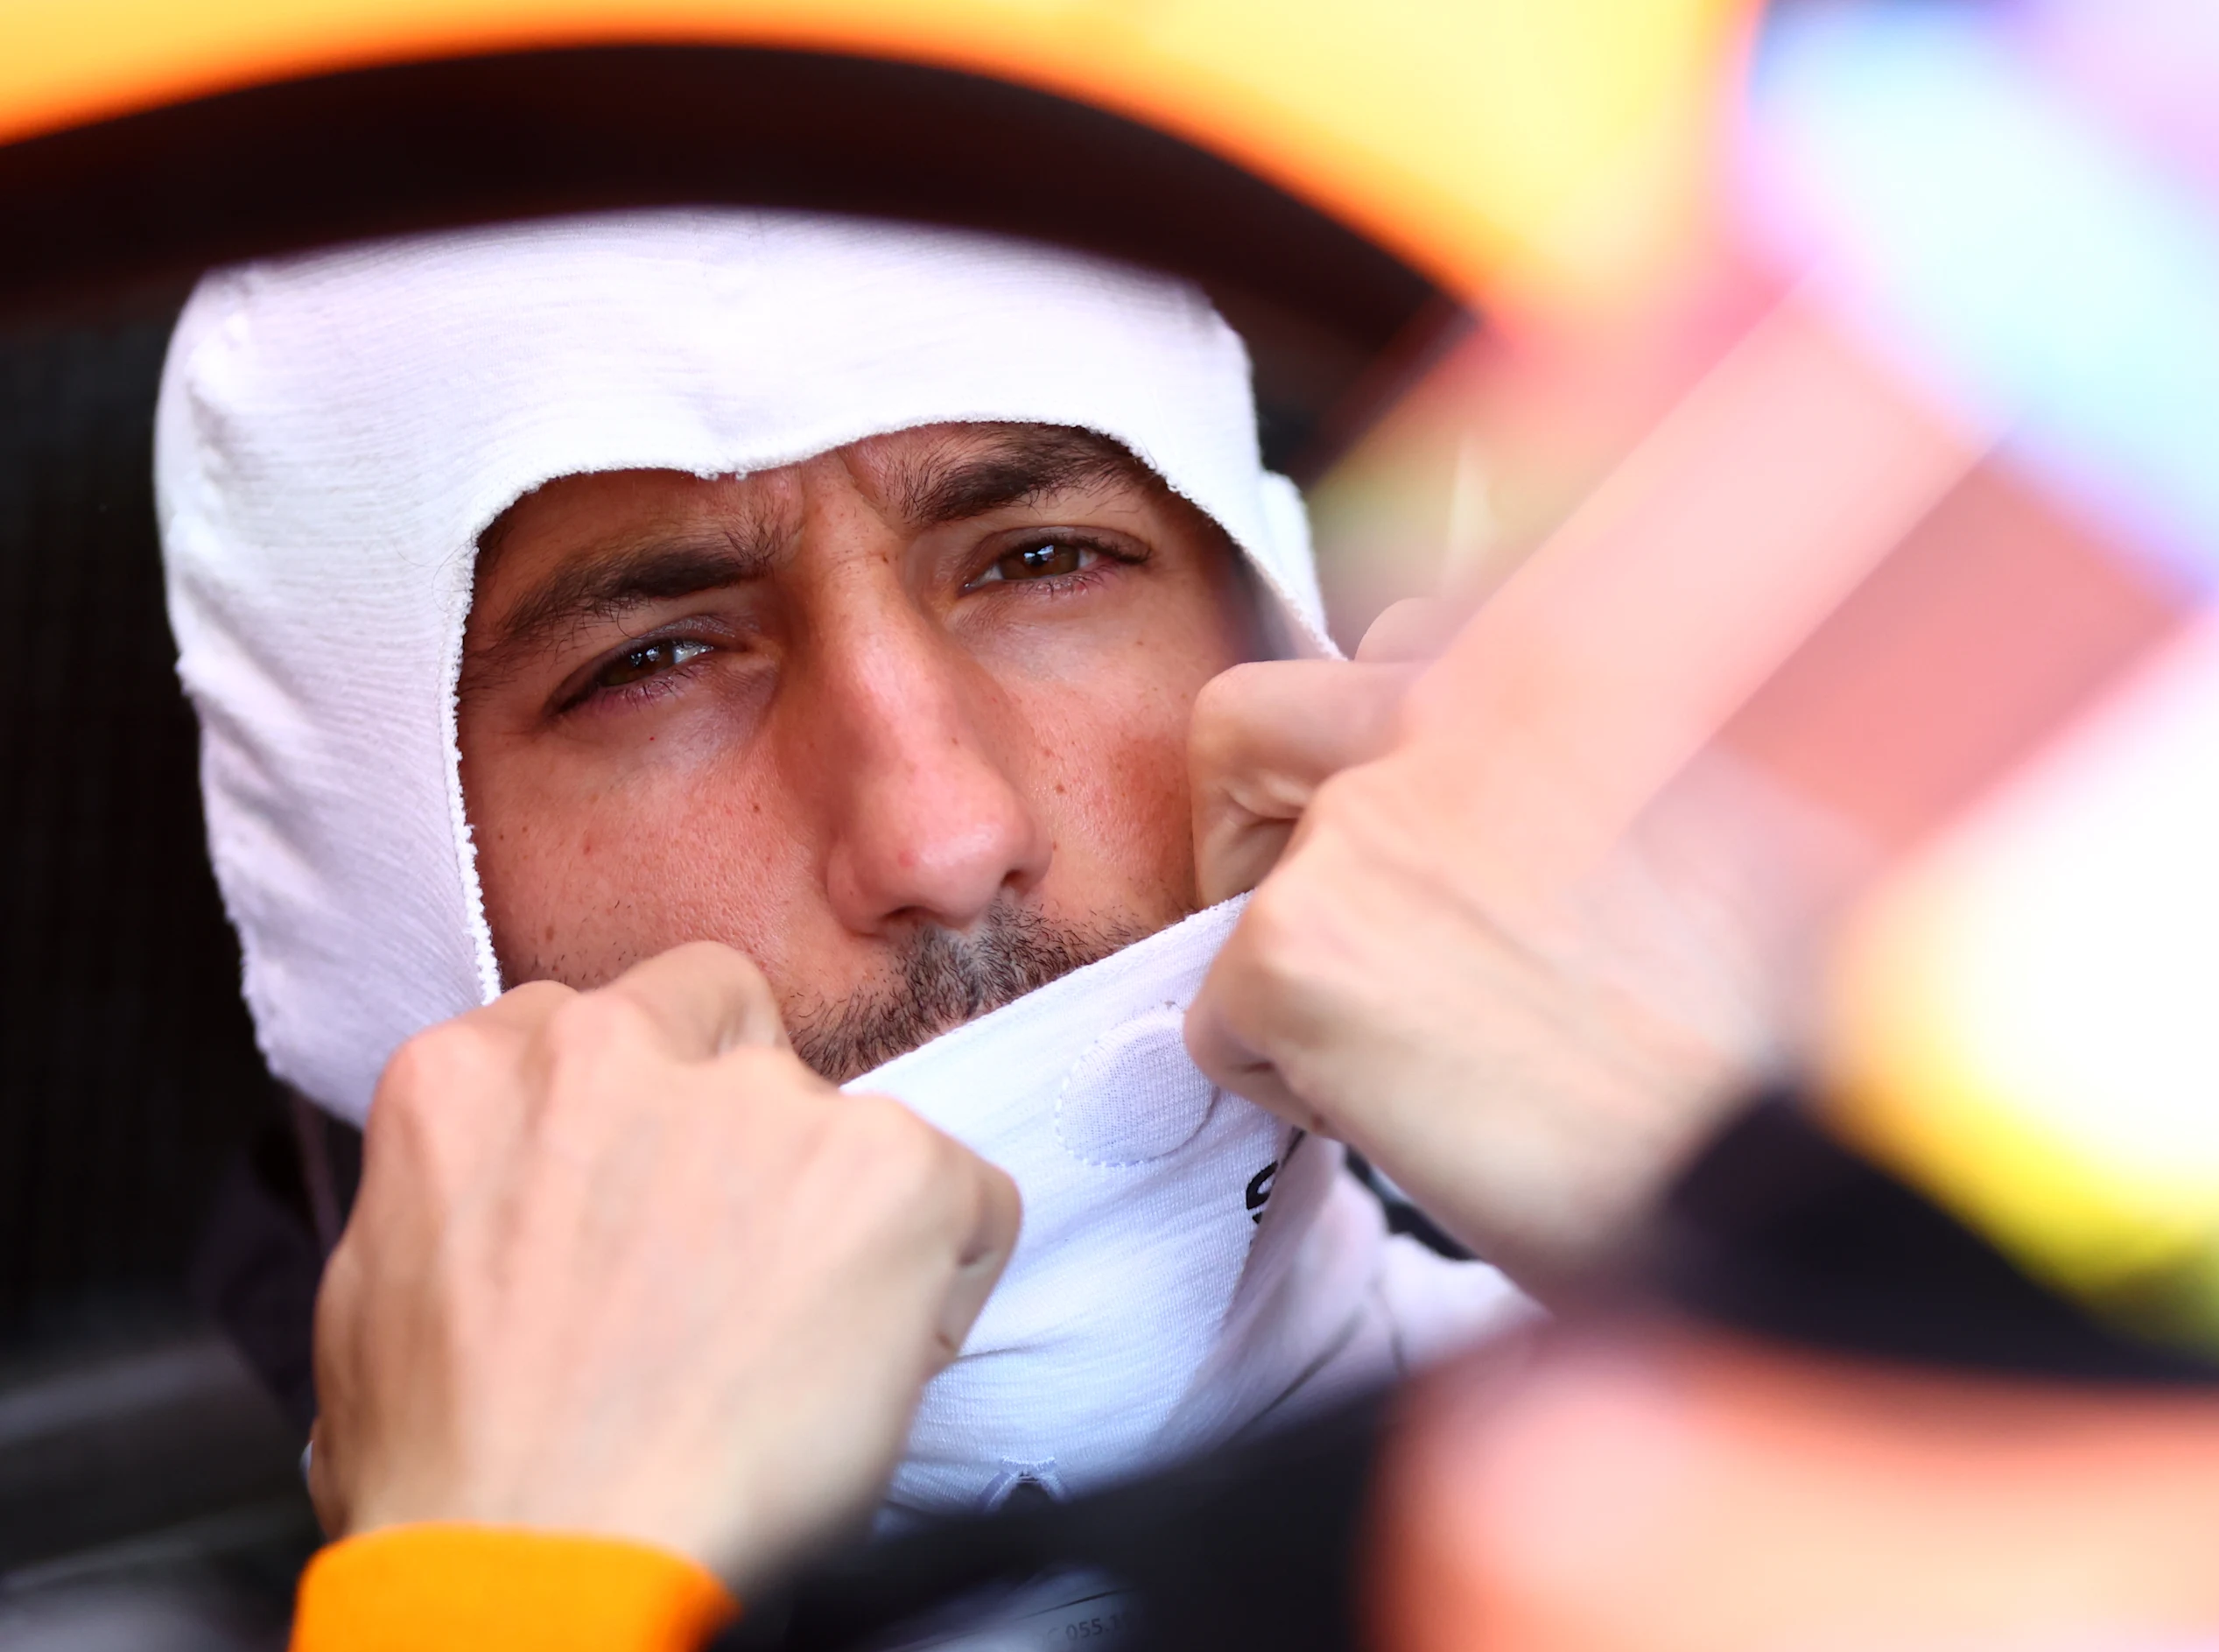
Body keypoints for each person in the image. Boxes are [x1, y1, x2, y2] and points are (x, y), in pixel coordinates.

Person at [154, 207, 1528, 1537]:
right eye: (655, 663)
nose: (944, 838)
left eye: (1044, 561)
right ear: (373, 895)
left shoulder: (1720, 1415)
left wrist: (1718, 1224)